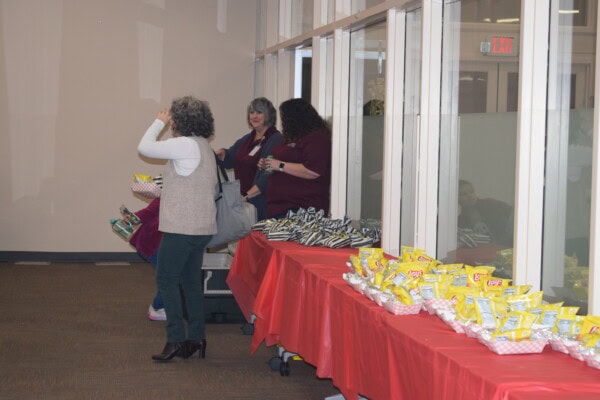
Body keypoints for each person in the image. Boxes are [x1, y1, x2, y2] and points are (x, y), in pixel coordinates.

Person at [137, 96, 217, 362]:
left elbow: (144, 147)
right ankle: (197, 338)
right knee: (191, 283)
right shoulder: (204, 146)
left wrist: (157, 122)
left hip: (181, 228)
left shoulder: (184, 144)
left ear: (180, 120)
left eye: (173, 118)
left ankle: (175, 340)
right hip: (202, 226)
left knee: (167, 280)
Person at [258, 98, 332, 219]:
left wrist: (279, 165)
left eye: (284, 118)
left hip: (302, 209)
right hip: (280, 207)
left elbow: (313, 171)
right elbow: (281, 163)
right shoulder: (291, 138)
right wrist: (268, 164)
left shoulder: (317, 139)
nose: (283, 123)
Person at [214, 97, 283, 221]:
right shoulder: (248, 138)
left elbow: (268, 175)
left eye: (259, 112)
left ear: (268, 115)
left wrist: (246, 196)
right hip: (245, 203)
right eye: (252, 112)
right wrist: (223, 153)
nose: (254, 116)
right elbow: (233, 156)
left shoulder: (275, 139)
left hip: (263, 204)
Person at [126, 197, 166, 321]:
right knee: (168, 276)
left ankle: (161, 306)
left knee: (168, 275)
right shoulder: (165, 198)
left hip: (152, 244)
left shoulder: (167, 197)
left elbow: (147, 212)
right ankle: (157, 308)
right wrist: (132, 218)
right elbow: (148, 212)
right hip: (152, 244)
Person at [458, 179, 513, 247]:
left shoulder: (490, 204)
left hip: (506, 244)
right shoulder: (460, 221)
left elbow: (513, 212)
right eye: (463, 194)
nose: (469, 195)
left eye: (471, 192)